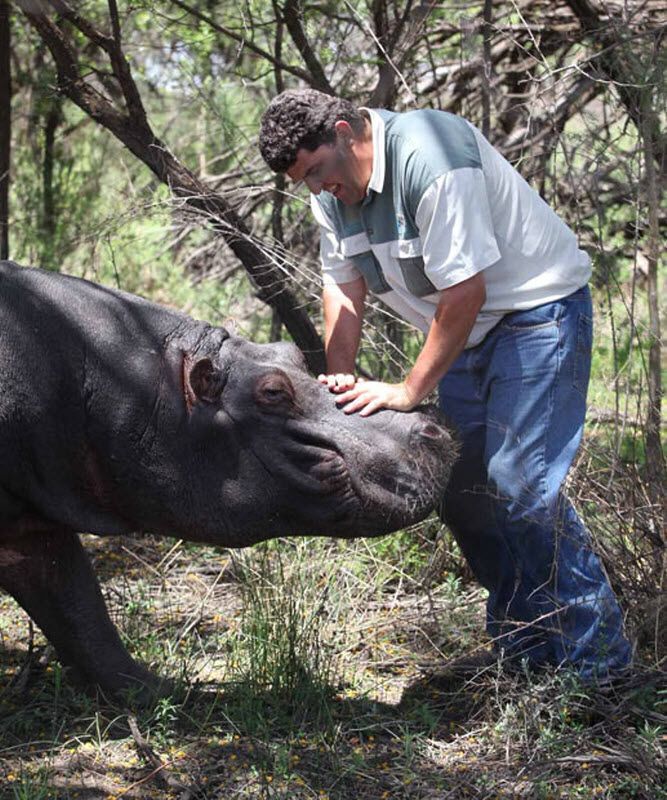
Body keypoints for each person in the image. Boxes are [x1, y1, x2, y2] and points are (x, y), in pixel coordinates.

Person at [258, 88, 632, 680]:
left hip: (536, 316)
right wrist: (339, 378)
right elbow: (343, 289)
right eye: (302, 181)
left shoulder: (430, 154)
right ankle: (526, 653)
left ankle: (602, 669)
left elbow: (465, 293)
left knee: (522, 486)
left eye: (317, 171)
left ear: (343, 130)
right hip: (466, 336)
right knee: (462, 490)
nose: (316, 190)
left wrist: (407, 392)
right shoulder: (331, 192)